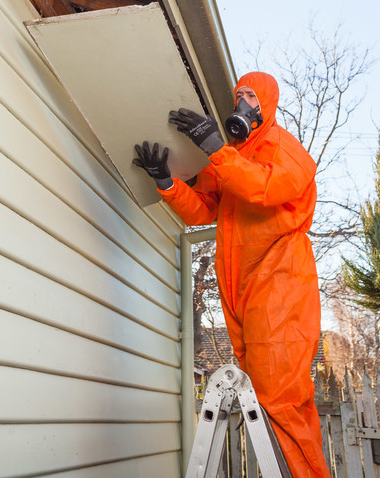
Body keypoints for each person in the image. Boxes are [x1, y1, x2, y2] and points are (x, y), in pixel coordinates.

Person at [133, 71, 331, 478]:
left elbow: (265, 188)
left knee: (281, 397)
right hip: (240, 284)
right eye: (238, 95)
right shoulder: (233, 156)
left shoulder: (282, 148)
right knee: (263, 392)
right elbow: (206, 207)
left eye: (251, 97)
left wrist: (216, 148)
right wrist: (167, 183)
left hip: (281, 279)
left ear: (268, 105)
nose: (242, 103)